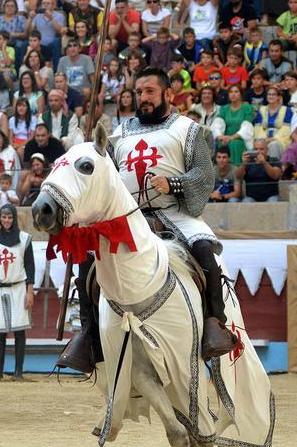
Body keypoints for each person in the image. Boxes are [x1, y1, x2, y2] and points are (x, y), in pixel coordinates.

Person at [58, 67, 238, 374]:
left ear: (168, 94)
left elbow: (204, 175)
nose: (143, 98)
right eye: (140, 92)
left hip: (174, 214)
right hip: (129, 219)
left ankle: (213, 326)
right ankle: (89, 335)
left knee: (204, 250)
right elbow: (104, 174)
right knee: (89, 258)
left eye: (150, 92)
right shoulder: (120, 133)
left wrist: (174, 184)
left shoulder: (187, 129)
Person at [0, 203, 34, 381]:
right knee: (0, 333)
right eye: (3, 217)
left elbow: (30, 266)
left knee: (19, 332)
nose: (7, 220)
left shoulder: (24, 239)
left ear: (14, 218)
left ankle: (18, 371)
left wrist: (30, 291)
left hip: (18, 288)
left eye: (10, 217)